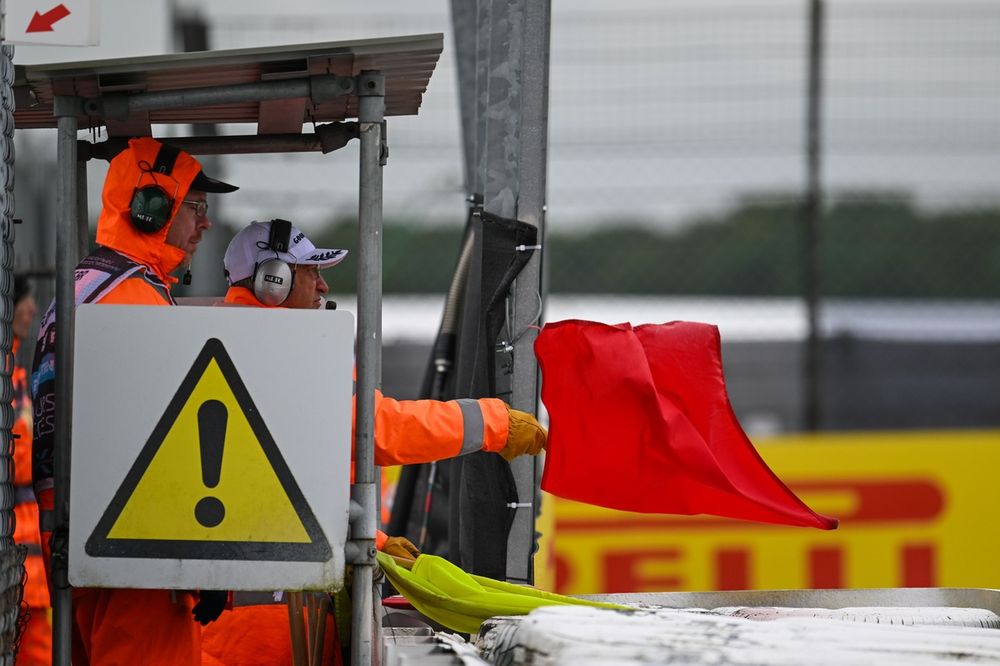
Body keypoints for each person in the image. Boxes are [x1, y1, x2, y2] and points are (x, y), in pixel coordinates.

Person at [201, 219, 546, 665]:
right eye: (310, 273)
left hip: (238, 604)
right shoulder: (286, 349)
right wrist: (492, 422)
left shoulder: (220, 335)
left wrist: (373, 540)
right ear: (274, 281)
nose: (324, 285)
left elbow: (291, 484)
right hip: (266, 620)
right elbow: (375, 429)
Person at [30, 136, 238, 665]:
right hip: (139, 551)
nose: (205, 223)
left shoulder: (86, 285)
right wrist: (201, 561)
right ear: (151, 208)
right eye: (195, 207)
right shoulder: (133, 299)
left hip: (83, 536)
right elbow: (165, 448)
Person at [10, 276, 49, 666]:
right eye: (26, 300)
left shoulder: (17, 377)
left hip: (27, 552)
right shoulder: (9, 378)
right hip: (18, 548)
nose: (33, 310)